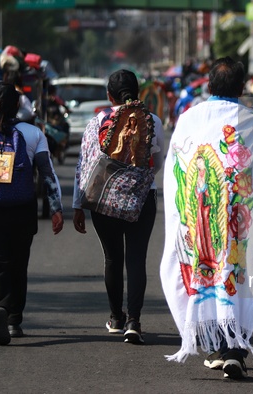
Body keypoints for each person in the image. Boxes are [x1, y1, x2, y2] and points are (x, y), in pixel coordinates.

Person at [160, 57, 253, 380]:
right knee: (235, 275)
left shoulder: (188, 119)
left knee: (209, 276)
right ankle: (232, 350)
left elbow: (176, 173)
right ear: (242, 87)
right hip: (239, 222)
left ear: (209, 86)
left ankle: (222, 348)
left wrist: (181, 217)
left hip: (199, 221)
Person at [0, 82, 64, 345]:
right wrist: (56, 208)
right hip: (22, 208)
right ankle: (14, 319)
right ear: (18, 105)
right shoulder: (33, 133)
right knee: (18, 263)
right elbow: (47, 174)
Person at [72, 69, 165, 344]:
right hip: (142, 198)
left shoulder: (97, 121)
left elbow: (84, 164)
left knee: (113, 258)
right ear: (138, 92)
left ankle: (116, 317)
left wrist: (78, 204)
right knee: (136, 259)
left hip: (104, 198)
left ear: (109, 95)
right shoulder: (153, 120)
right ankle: (134, 321)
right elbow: (157, 164)